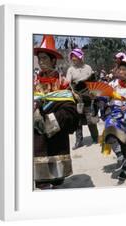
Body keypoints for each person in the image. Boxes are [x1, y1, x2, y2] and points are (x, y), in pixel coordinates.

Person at [33, 35, 80, 189]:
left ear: (54, 60)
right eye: (39, 58)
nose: (41, 62)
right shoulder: (33, 83)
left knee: (57, 180)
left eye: (44, 58)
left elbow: (71, 111)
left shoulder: (63, 84)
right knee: (41, 180)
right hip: (38, 138)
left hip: (57, 135)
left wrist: (51, 120)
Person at [99, 48, 126, 181]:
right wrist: (99, 96)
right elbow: (105, 96)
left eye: (124, 70)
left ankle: (124, 168)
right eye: (120, 69)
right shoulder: (112, 84)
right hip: (114, 116)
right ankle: (118, 155)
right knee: (109, 130)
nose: (121, 72)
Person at [66, 48, 99, 150]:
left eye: (75, 56)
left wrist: (94, 92)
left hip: (88, 96)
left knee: (91, 119)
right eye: (72, 57)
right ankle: (78, 141)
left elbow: (93, 82)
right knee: (78, 120)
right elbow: (68, 84)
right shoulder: (70, 70)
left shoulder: (88, 68)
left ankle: (95, 137)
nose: (73, 58)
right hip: (77, 97)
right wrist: (73, 93)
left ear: (80, 57)